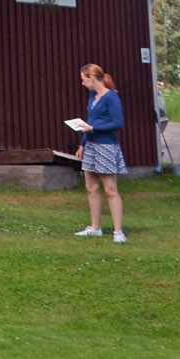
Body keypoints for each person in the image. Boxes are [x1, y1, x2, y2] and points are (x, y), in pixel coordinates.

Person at [72, 63, 127, 243]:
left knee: (110, 189)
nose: (82, 83)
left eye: (83, 79)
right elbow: (90, 121)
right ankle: (95, 227)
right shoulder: (92, 97)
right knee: (91, 188)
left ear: (92, 78)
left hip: (106, 146)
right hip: (92, 145)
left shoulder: (111, 97)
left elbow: (117, 123)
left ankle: (118, 231)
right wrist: (83, 145)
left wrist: (94, 128)